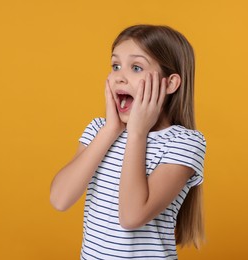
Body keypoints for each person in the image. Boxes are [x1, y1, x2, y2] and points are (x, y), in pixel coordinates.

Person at [50, 24, 206, 259]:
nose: (119, 77)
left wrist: (136, 133)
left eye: (136, 67)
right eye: (115, 66)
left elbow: (132, 216)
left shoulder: (184, 143)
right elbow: (60, 199)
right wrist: (111, 129)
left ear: (170, 84)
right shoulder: (98, 130)